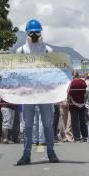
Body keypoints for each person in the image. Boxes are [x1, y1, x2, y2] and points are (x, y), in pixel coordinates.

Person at [16, 19, 59, 165]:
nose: (34, 34)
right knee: (28, 124)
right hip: (28, 93)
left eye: (37, 32)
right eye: (32, 32)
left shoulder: (48, 50)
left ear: (41, 33)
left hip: (45, 93)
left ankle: (51, 152)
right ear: (27, 33)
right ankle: (26, 154)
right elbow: (14, 71)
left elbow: (56, 71)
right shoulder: (20, 51)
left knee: (47, 123)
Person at [67, 71, 87, 143]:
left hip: (73, 104)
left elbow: (68, 93)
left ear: (73, 75)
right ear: (78, 75)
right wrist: (84, 101)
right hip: (82, 104)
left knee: (74, 122)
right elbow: (86, 93)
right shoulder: (83, 82)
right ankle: (84, 136)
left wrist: (68, 101)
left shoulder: (72, 82)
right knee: (82, 121)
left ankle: (77, 137)